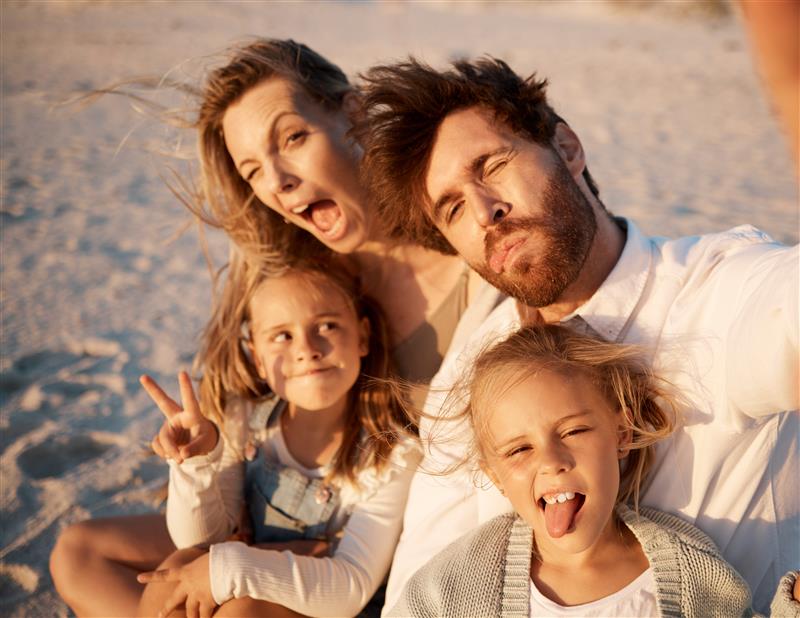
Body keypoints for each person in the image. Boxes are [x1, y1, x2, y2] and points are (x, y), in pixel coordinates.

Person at [357, 57, 799, 613]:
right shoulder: (472, 371)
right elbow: (419, 587)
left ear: (567, 148)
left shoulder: (715, 292)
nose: (484, 211)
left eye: (491, 166)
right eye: (451, 208)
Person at [50, 39, 472, 617]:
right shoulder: (300, 278)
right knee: (92, 555)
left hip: (366, 547)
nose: (278, 181)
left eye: (293, 138)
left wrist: (240, 569)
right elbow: (226, 477)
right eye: (252, 170)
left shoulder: (470, 267)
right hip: (258, 521)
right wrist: (210, 528)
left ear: (351, 113)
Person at [389, 325, 799, 617]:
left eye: (573, 430)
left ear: (621, 433)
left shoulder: (690, 571)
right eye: (519, 449)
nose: (551, 461)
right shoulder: (451, 587)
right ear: (494, 475)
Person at [135, 255, 418, 617]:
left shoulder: (389, 456)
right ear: (257, 358)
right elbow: (201, 540)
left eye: (327, 326)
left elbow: (351, 587)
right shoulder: (249, 420)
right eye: (283, 335)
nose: (306, 349)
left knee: (242, 608)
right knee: (176, 571)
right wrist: (196, 462)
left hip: (328, 606)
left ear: (362, 336)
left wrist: (231, 567)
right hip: (254, 574)